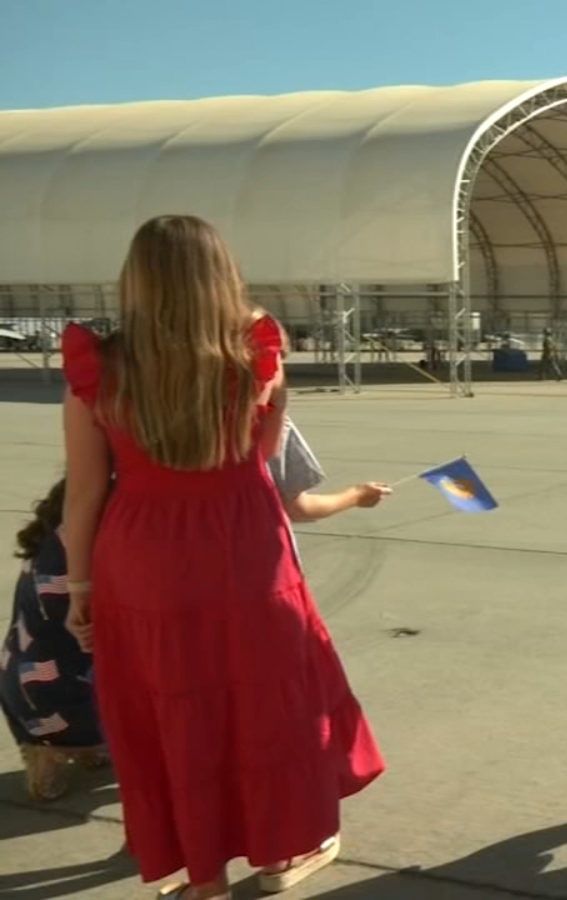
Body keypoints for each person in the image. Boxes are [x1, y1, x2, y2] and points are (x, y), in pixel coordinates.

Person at [59, 215, 384, 899]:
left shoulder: (99, 367)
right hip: (244, 549)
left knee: (173, 712)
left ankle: (204, 879)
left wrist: (80, 585)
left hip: (139, 558)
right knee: (265, 708)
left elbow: (84, 495)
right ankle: (278, 855)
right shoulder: (257, 356)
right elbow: (263, 459)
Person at [2, 479, 107, 801]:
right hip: (64, 686)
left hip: (20, 680)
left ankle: (53, 762)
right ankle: (80, 748)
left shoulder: (49, 541)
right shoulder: (85, 546)